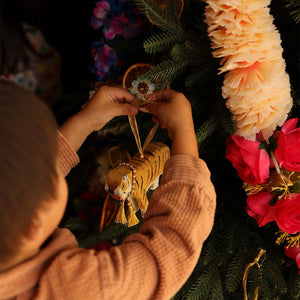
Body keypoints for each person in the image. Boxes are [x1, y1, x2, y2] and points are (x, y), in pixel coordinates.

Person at [0, 80, 216, 300]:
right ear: (33, 225)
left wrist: (83, 123)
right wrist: (184, 135)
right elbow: (164, 254)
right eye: (51, 174)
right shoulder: (76, 287)